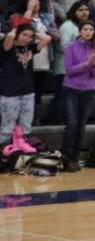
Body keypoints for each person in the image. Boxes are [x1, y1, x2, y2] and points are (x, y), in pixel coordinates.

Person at [1, 18, 52, 151]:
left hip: (28, 92)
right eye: (24, 35)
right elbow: (10, 36)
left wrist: (33, 33)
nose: (27, 39)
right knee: (7, 128)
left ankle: (20, 155)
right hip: (10, 93)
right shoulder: (9, 47)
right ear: (18, 33)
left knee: (25, 127)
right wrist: (16, 29)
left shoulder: (29, 48)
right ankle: (3, 156)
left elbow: (47, 39)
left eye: (30, 37)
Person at [60, 15, 95, 170]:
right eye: (85, 29)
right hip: (71, 89)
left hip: (89, 90)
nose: (88, 32)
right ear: (80, 31)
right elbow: (69, 70)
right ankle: (65, 157)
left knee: (81, 125)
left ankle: (74, 158)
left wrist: (93, 65)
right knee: (72, 124)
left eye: (91, 29)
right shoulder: (71, 46)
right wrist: (86, 64)